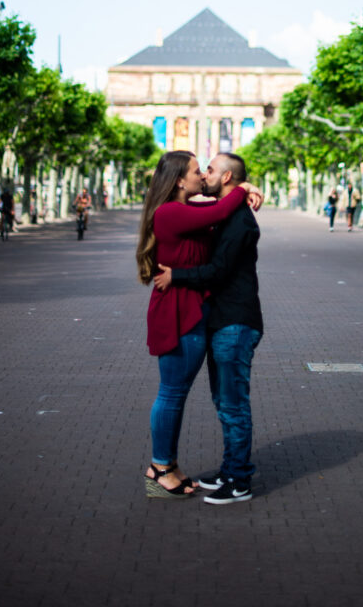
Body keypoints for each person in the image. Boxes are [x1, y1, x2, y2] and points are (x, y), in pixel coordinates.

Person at [136, 150, 262, 500]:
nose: (201, 175)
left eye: (207, 170)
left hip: (196, 309)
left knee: (192, 395)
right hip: (179, 310)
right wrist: (243, 187)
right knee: (173, 392)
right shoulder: (171, 212)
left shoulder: (190, 211)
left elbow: (218, 211)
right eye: (196, 170)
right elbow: (221, 209)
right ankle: (160, 468)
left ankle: (172, 466)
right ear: (179, 179)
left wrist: (241, 186)